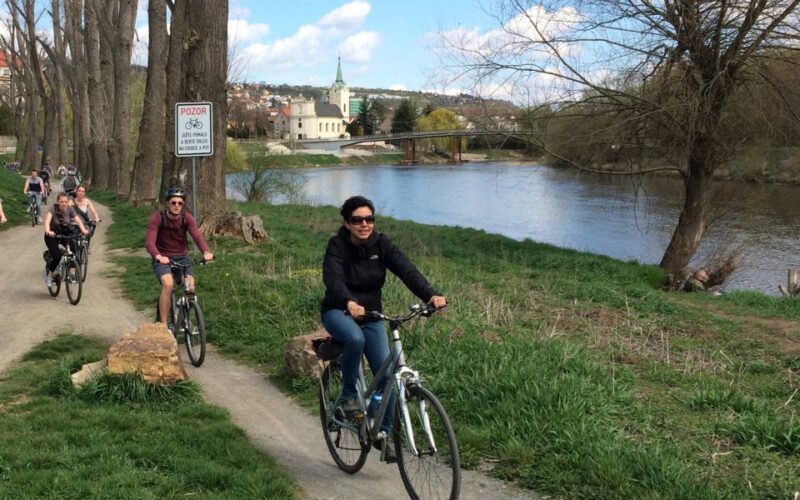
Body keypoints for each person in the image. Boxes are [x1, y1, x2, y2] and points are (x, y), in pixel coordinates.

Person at [321, 195, 447, 462]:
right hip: (338, 310)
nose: (364, 224)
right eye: (357, 220)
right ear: (346, 223)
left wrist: (431, 294)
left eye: (369, 219)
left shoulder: (381, 243)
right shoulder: (337, 245)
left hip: (373, 314)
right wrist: (349, 301)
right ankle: (348, 398)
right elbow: (333, 278)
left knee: (388, 375)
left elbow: (406, 270)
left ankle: (383, 434)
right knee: (354, 339)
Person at [145, 187, 214, 326]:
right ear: (167, 203)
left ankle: (181, 311)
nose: (177, 206)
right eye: (173, 202)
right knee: (168, 284)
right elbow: (149, 242)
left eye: (180, 203)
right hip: (162, 258)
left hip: (182, 257)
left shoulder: (186, 218)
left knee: (190, 285)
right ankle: (164, 326)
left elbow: (197, 236)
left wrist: (206, 252)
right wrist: (158, 256)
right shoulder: (158, 218)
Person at [43, 192, 90, 285]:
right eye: (61, 202)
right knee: (57, 256)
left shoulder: (70, 209)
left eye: (65, 202)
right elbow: (47, 221)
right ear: (58, 202)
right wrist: (48, 231)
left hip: (64, 233)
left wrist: (84, 230)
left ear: (68, 202)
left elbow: (78, 220)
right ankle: (50, 275)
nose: (64, 204)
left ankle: (72, 272)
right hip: (52, 234)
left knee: (73, 250)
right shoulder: (53, 208)